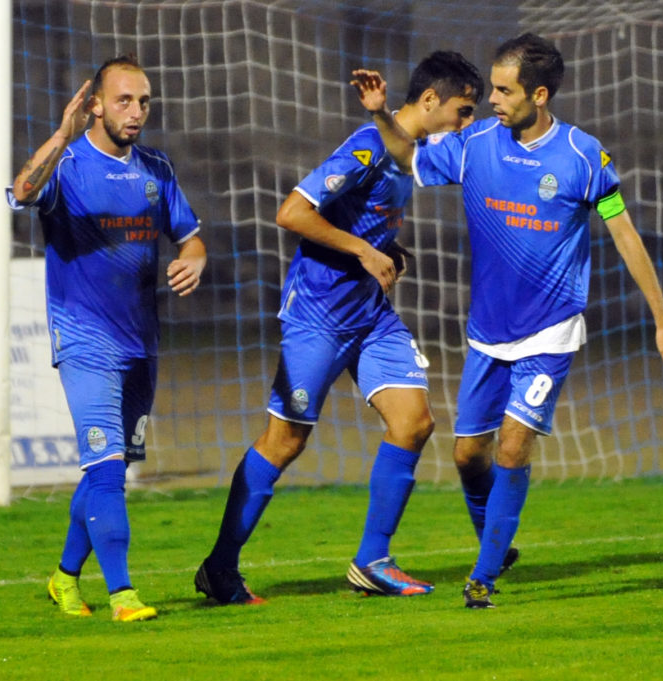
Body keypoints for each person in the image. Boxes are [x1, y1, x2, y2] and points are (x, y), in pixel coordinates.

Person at [352, 33, 663, 609]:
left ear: (538, 93)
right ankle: (496, 542)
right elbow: (408, 156)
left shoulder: (585, 157)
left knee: (512, 447)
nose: (493, 101)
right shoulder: (475, 142)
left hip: (552, 328)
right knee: (467, 455)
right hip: (487, 332)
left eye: (505, 91)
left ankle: (482, 577)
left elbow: (624, 235)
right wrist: (382, 112)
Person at [193, 51, 484, 605]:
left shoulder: (407, 153)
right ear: (430, 101)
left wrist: (385, 250)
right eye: (463, 111)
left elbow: (364, 219)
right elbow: (292, 212)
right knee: (286, 440)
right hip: (318, 313)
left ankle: (373, 560)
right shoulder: (367, 146)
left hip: (370, 313)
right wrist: (362, 251)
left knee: (414, 422)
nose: (465, 124)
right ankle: (219, 567)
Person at [7, 54, 207, 622]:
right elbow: (21, 191)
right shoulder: (67, 164)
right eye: (123, 99)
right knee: (107, 471)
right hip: (84, 338)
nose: (136, 111)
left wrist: (194, 259)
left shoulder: (156, 170)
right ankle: (123, 595)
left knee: (108, 469)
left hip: (141, 342)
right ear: (94, 104)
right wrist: (59, 135)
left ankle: (64, 579)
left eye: (144, 100)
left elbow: (190, 237)